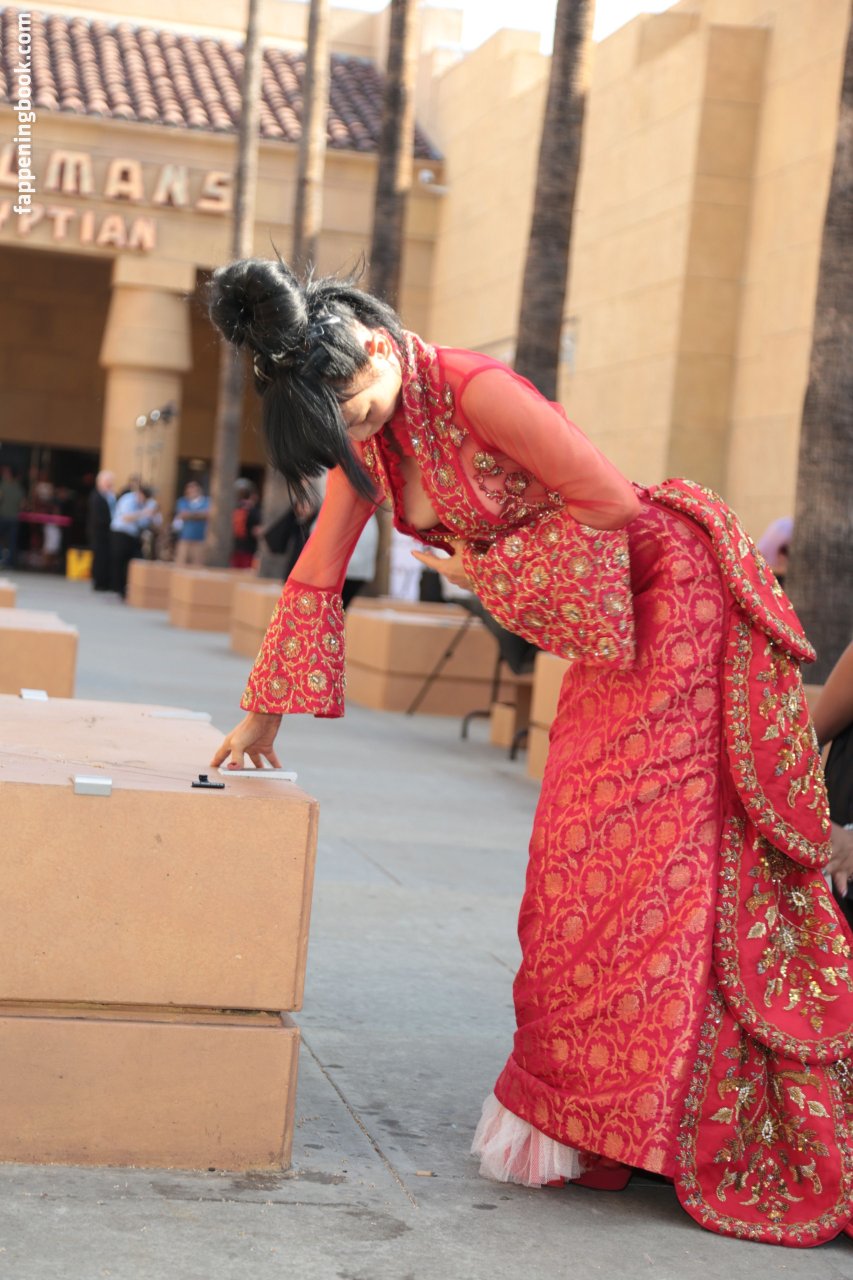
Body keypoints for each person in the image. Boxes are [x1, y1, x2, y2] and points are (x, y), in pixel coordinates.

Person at [206, 257, 853, 1247]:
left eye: (357, 405)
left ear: (377, 347)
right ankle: (612, 1118)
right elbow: (319, 565)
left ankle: (679, 1119)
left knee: (658, 867)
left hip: (669, 598)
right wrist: (264, 716)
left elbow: (611, 505)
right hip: (602, 623)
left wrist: (485, 568)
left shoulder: (477, 390)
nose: (356, 431)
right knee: (576, 867)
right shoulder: (364, 435)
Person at [110, 482, 158, 598]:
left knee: (137, 559)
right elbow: (126, 517)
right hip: (121, 533)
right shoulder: (128, 499)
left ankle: (132, 588)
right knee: (120, 561)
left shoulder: (147, 504)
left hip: (134, 535)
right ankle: (119, 589)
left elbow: (148, 522)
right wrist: (143, 513)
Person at [87, 469, 116, 591]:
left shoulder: (109, 496)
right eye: (108, 482)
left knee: (105, 557)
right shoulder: (96, 496)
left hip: (106, 533)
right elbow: (98, 517)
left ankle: (105, 581)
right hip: (99, 532)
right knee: (99, 557)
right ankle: (98, 582)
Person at [172, 480, 210, 566]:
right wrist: (199, 514)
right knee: (180, 564)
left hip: (200, 540)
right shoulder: (182, 501)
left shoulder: (207, 501)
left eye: (194, 488)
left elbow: (207, 514)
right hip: (184, 539)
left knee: (197, 566)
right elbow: (183, 514)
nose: (191, 491)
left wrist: (190, 514)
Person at [231, 479, 263, 569]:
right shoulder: (254, 511)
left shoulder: (237, 508)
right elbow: (256, 530)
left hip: (237, 547)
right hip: (248, 548)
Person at [0, 465, 24, 567]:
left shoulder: (3, 486)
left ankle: (2, 559)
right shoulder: (18, 487)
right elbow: (22, 504)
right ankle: (10, 562)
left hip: (3, 516)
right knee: (12, 541)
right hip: (14, 518)